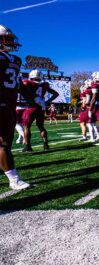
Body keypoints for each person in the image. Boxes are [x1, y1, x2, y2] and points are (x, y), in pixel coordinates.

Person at [0, 25, 44, 189]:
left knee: (4, 144)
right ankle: (14, 180)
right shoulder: (14, 60)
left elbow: (18, 84)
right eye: (7, 38)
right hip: (6, 105)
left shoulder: (13, 60)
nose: (10, 42)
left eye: (10, 39)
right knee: (4, 144)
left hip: (7, 105)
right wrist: (32, 99)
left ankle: (14, 179)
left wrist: (31, 99)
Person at [22, 69, 59, 152]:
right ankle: (46, 145)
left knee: (27, 127)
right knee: (41, 127)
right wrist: (47, 102)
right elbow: (56, 94)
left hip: (31, 107)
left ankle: (28, 146)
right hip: (41, 107)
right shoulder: (44, 85)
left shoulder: (27, 83)